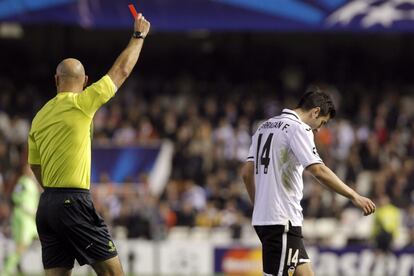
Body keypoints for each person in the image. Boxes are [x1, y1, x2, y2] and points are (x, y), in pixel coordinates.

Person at [27, 14, 150, 276]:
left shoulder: (39, 117)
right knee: (113, 273)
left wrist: (54, 194)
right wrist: (138, 36)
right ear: (84, 83)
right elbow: (121, 71)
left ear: (56, 80)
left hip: (47, 205)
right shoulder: (82, 104)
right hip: (74, 201)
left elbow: (34, 165)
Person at [241, 89, 376, 276]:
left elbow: (247, 174)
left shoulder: (264, 127)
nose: (319, 129)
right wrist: (354, 195)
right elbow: (318, 170)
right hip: (283, 220)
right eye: (322, 122)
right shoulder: (299, 129)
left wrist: (259, 205)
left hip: (269, 219)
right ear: (315, 111)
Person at [2, 165, 40, 276]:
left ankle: (15, 263)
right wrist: (26, 208)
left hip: (31, 220)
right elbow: (15, 197)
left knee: (45, 238)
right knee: (21, 245)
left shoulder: (31, 182)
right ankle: (7, 269)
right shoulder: (23, 182)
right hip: (23, 218)